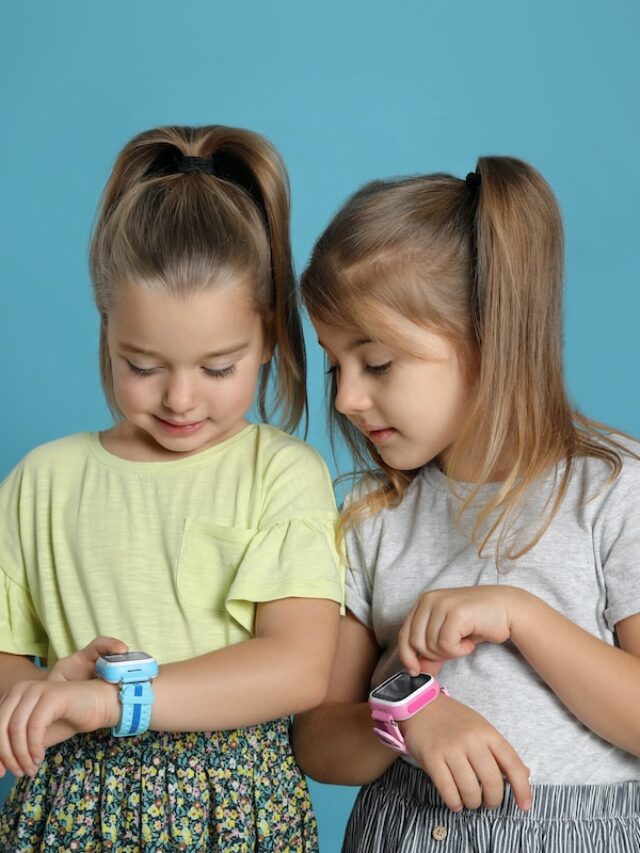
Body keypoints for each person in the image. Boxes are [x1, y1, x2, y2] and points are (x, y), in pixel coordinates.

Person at [0, 124, 343, 851]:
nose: (181, 398)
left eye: (218, 368)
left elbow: (299, 665)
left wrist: (111, 702)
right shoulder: (41, 480)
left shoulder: (281, 474)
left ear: (271, 336)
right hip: (68, 813)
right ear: (106, 329)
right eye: (143, 363)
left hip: (238, 815)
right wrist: (32, 698)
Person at [293, 157, 640, 851]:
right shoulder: (373, 515)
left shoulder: (612, 489)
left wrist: (520, 614)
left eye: (378, 362)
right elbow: (317, 740)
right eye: (336, 365)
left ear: (490, 334)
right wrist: (407, 711)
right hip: (405, 829)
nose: (346, 399)